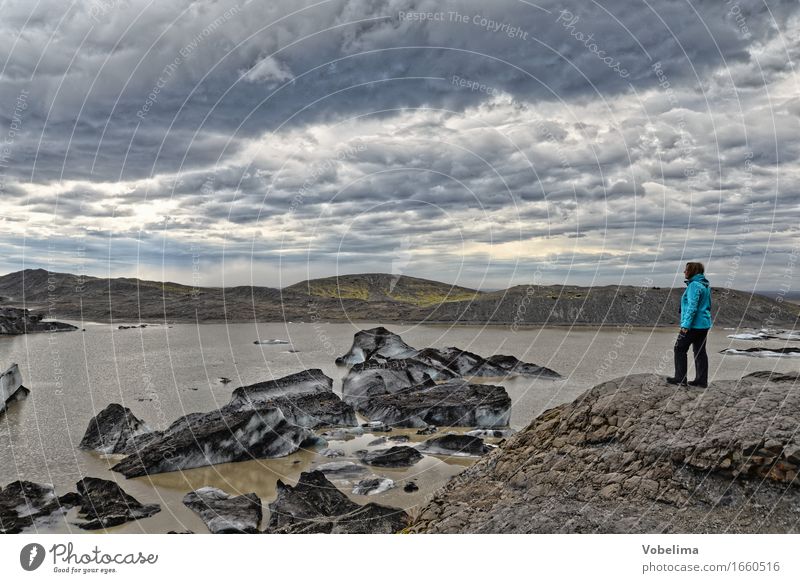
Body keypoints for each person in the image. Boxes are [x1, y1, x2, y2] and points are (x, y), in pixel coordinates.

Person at [667, 262, 712, 387]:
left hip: (693, 325)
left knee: (679, 348)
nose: (684, 272)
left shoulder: (694, 285)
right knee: (700, 351)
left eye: (686, 270)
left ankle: (680, 379)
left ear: (693, 271)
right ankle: (701, 381)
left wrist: (686, 325)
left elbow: (692, 307)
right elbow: (708, 305)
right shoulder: (705, 285)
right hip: (704, 324)